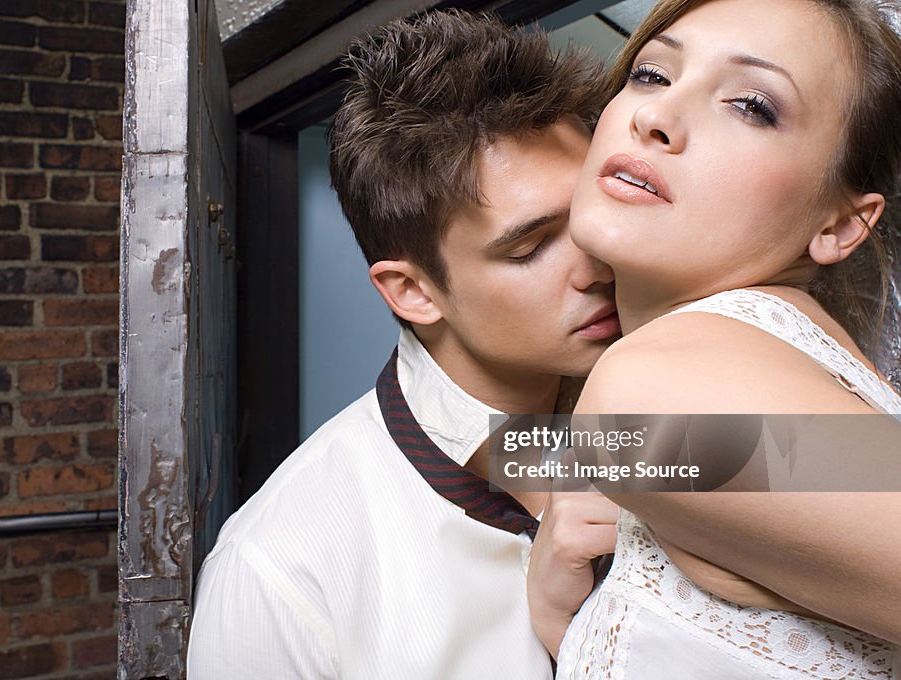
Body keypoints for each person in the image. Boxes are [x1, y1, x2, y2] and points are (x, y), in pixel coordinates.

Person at [186, 11, 622, 678]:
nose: (597, 265)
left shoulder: (658, 405)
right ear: (413, 292)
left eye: (593, 217)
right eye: (532, 247)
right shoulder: (280, 569)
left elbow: (838, 472)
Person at [528, 0, 901, 676]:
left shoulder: (654, 389)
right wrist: (570, 629)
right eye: (650, 74)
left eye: (753, 106)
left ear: (842, 224)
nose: (657, 117)